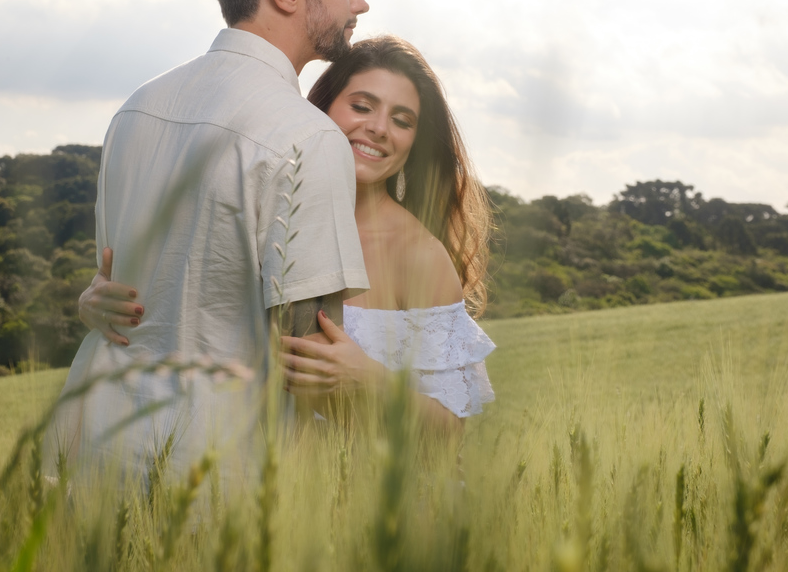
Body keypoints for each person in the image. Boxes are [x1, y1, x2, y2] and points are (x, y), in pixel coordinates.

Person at [46, 0, 371, 486]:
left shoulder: (136, 106)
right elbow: (311, 359)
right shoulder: (306, 137)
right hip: (214, 468)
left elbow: (117, 284)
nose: (360, 2)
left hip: (85, 444)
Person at [81, 36, 496, 438]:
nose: (379, 128)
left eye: (402, 120)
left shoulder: (418, 254)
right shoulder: (263, 216)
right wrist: (97, 304)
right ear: (321, 110)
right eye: (362, 106)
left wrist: (366, 379)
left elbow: (448, 431)